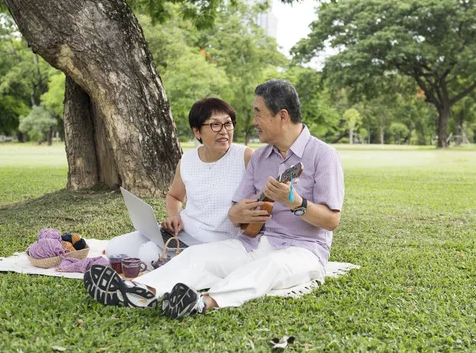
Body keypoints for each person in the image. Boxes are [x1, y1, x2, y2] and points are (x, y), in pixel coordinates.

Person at [84, 80, 344, 318]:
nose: (253, 121)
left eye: (258, 112)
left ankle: (202, 302)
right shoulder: (261, 158)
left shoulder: (323, 156)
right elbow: (234, 213)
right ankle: (139, 290)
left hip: (304, 250)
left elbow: (332, 221)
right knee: (198, 256)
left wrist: (295, 203)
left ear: (282, 116)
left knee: (270, 267)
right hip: (255, 242)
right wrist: (240, 214)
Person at [104, 98, 253, 267]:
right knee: (114, 248)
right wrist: (174, 216)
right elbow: (175, 196)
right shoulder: (188, 159)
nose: (224, 131)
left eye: (228, 124)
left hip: (215, 241)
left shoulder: (246, 157)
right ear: (197, 132)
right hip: (182, 232)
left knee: (149, 254)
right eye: (215, 125)